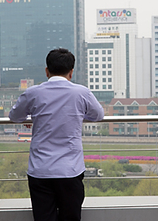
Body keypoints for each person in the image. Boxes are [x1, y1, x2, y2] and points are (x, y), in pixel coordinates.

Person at [9, 48, 104, 221]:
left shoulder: (33, 93)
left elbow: (15, 116)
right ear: (71, 72)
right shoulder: (81, 92)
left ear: (47, 71)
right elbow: (98, 115)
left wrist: (32, 117)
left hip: (40, 170)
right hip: (70, 170)